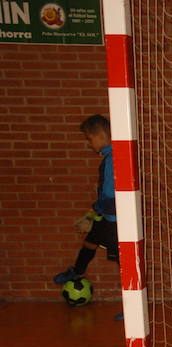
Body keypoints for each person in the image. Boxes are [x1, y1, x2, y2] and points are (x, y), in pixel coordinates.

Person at [53, 115, 119, 285]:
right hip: (107, 216)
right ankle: (77, 271)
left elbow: (111, 197)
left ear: (102, 135)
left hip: (115, 220)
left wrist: (94, 210)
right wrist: (92, 213)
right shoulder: (110, 156)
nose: (89, 144)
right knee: (90, 241)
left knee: (123, 262)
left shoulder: (113, 159)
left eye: (90, 139)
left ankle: (131, 307)